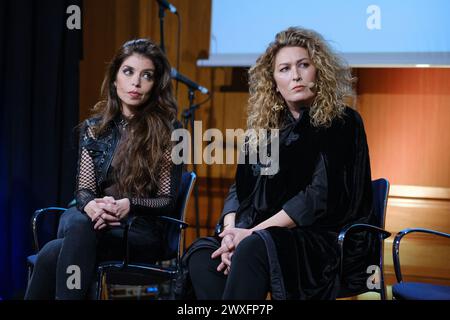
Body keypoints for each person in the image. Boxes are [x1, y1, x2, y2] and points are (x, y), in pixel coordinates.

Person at [181, 27, 376, 300]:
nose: (295, 75)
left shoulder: (342, 122)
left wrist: (249, 234)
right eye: (284, 69)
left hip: (322, 239)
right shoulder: (266, 129)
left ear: (318, 70)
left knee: (254, 248)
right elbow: (240, 190)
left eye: (303, 65)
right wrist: (229, 233)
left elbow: (317, 197)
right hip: (267, 233)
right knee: (204, 255)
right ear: (273, 81)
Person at [25, 39, 182, 299]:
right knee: (78, 219)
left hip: (137, 230)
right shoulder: (94, 128)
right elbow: (84, 189)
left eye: (147, 76)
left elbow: (167, 200)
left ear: (155, 86)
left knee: (53, 252)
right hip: (93, 221)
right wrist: (92, 206)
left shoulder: (170, 132)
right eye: (128, 72)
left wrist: (127, 205)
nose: (136, 83)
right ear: (114, 79)